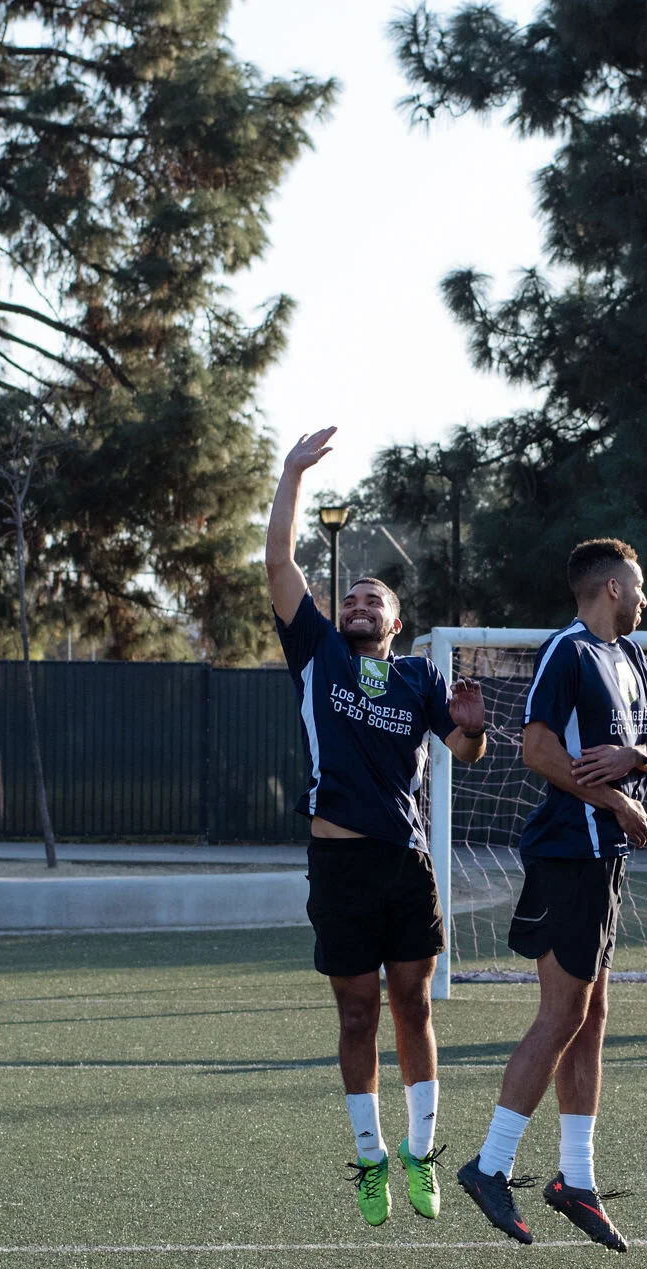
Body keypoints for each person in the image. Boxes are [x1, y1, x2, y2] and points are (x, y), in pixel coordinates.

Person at [266, 425, 490, 1228]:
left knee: (413, 1008)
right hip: (340, 868)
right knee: (357, 1012)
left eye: (375, 601)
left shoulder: (419, 676)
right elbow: (279, 564)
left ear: (396, 624)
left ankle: (421, 1152)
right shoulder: (317, 654)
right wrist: (291, 474)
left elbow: (464, 751)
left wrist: (473, 728)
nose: (359, 605)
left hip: (405, 864)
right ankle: (370, 1160)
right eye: (352, 598)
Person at [458, 539, 647, 1252]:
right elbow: (537, 749)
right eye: (638, 585)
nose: (645, 599)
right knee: (563, 1012)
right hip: (569, 853)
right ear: (611, 587)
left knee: (590, 1015)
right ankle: (490, 1164)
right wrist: (619, 802)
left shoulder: (632, 658)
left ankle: (576, 1177)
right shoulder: (568, 651)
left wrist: (636, 760)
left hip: (604, 861)